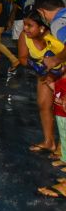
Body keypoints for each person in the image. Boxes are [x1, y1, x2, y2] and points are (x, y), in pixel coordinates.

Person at [17, 10, 63, 155]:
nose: (25, 28)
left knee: (63, 110)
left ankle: (64, 147)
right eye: (24, 24)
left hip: (63, 73)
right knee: (44, 105)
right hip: (44, 74)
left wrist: (57, 72)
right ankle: (49, 142)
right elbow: (23, 58)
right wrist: (36, 65)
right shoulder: (25, 36)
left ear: (42, 27)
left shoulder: (55, 35)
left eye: (30, 25)